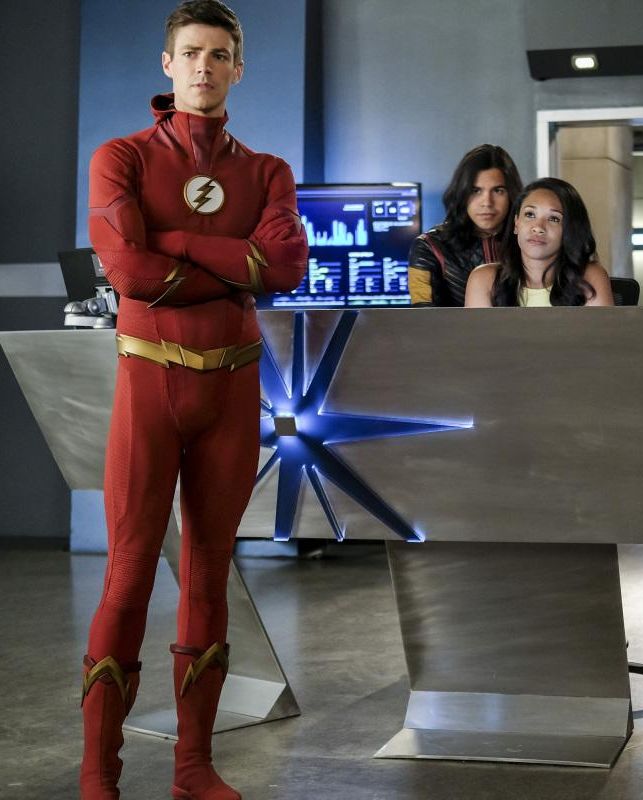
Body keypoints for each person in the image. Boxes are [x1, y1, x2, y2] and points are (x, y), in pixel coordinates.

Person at [81, 2, 308, 797]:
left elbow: (287, 269)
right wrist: (232, 265)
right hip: (150, 385)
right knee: (129, 574)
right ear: (167, 63)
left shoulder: (267, 171)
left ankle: (193, 768)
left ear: (237, 68)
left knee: (211, 576)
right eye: (190, 53)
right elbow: (126, 271)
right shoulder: (121, 158)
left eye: (218, 54)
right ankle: (98, 776)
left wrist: (173, 243)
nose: (203, 67)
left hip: (232, 387)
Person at [464, 177, 613, 308]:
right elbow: (478, 333)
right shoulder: (484, 280)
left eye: (554, 219)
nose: (538, 228)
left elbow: (600, 332)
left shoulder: (590, 277)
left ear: (569, 230)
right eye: (530, 214)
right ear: (516, 224)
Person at [409, 144, 524, 306]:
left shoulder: (530, 241)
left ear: (511, 194)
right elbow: (424, 317)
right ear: (462, 193)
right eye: (476, 191)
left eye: (498, 190)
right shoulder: (429, 247)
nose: (487, 202)